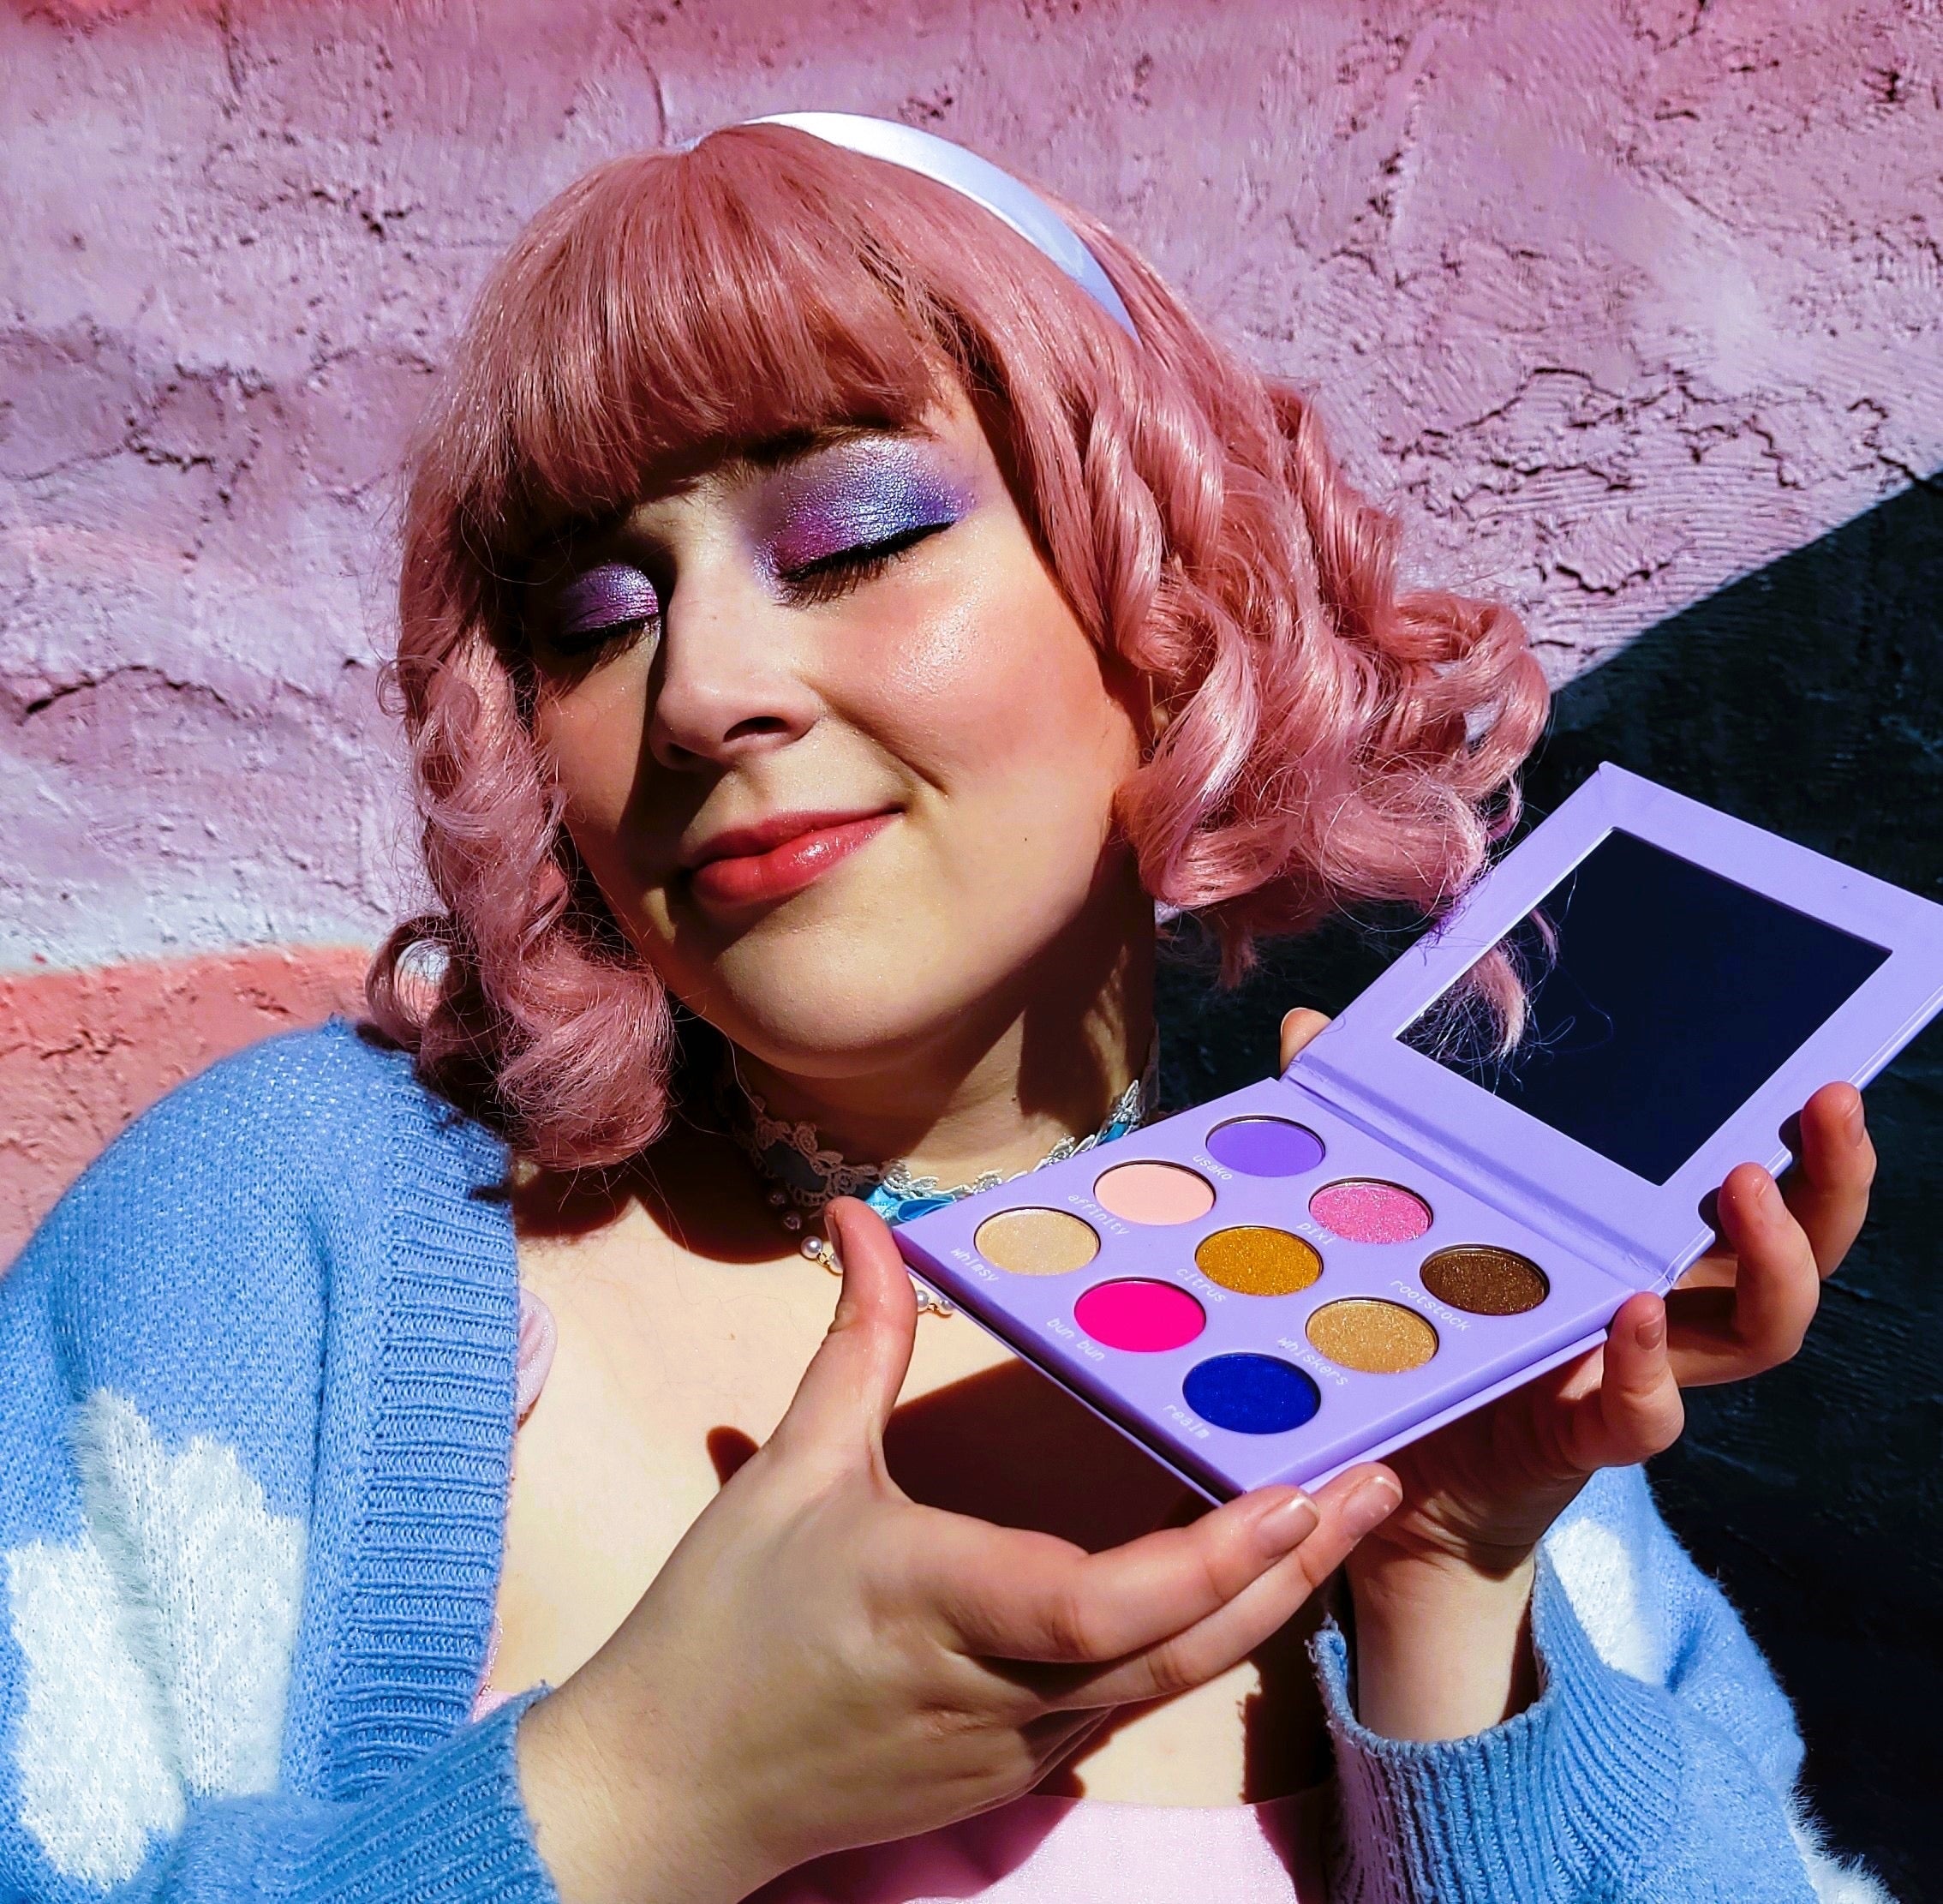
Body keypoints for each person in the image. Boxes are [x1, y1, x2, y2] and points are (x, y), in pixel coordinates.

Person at [0, 117, 1890, 1904]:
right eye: (594, 611)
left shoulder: (1444, 1340)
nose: (704, 690)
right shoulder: (281, 1250)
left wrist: (1452, 1600)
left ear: (1169, 609)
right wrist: (643, 1791)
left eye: (852, 536)